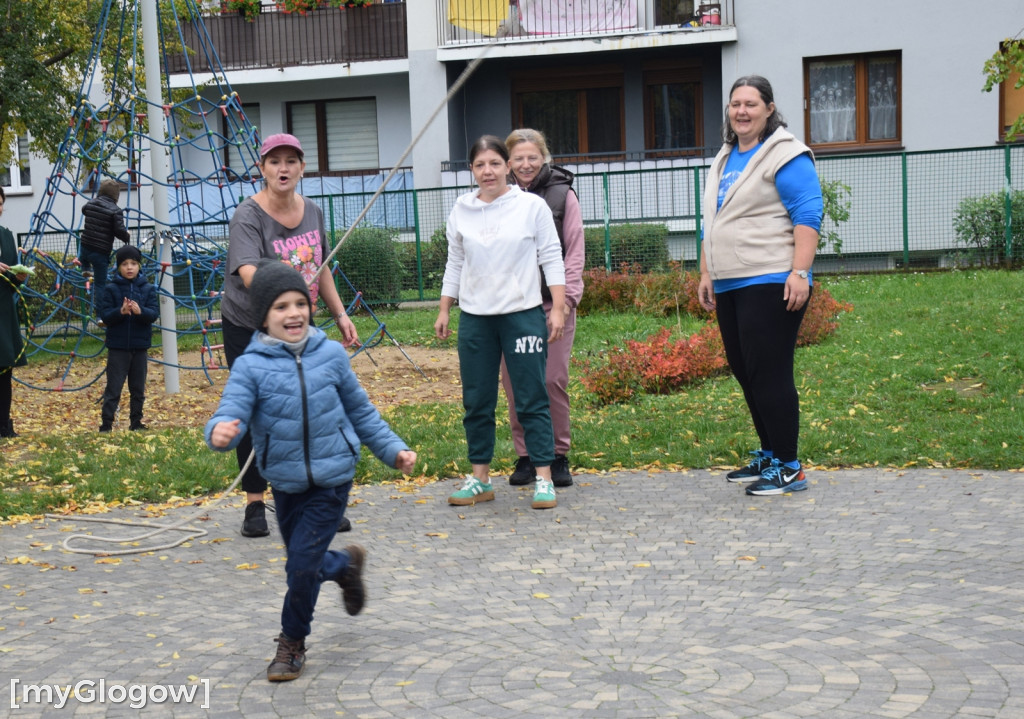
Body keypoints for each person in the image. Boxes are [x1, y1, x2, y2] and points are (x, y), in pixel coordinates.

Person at [205, 260, 416, 682]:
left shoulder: (332, 355)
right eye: (281, 306)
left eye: (300, 303)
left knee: (301, 567)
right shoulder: (251, 365)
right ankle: (342, 566)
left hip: (332, 478)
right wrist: (219, 431)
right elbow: (230, 409)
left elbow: (362, 411)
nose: (294, 313)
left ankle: (292, 643)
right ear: (264, 316)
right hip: (284, 483)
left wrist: (393, 450)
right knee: (304, 565)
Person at [223, 133, 359, 538]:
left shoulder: (313, 211)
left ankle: (314, 500)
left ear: (301, 168)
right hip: (249, 324)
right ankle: (253, 504)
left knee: (310, 407)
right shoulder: (248, 216)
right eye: (274, 161)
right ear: (262, 168)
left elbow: (322, 266)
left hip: (300, 323)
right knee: (256, 409)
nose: (283, 168)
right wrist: (287, 299)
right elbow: (248, 274)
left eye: (291, 161)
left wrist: (338, 313)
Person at [697, 75, 823, 496]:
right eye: (735, 104)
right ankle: (769, 452)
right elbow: (712, 221)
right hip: (730, 282)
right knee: (746, 369)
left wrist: (800, 272)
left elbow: (808, 212)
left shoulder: (784, 154)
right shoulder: (725, 156)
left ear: (769, 109)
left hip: (770, 278)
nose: (742, 111)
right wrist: (705, 272)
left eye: (751, 103)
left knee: (769, 372)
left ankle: (790, 466)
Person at [435, 135, 566, 510]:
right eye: (479, 165)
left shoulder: (531, 206)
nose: (487, 171)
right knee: (476, 400)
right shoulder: (461, 209)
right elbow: (455, 263)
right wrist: (445, 308)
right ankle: (480, 478)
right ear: (471, 170)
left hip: (522, 315)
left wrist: (557, 307)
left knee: (531, 396)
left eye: (494, 163)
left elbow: (551, 257)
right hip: (476, 319)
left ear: (507, 166)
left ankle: (543, 477)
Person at [500, 128, 585, 488]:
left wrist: (564, 305)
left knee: (551, 381)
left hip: (553, 304)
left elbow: (574, 251)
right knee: (517, 384)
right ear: (508, 163)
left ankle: (557, 454)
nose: (526, 164)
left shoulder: (563, 195)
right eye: (518, 158)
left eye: (532, 157)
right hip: (510, 307)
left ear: (544, 157)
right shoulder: (497, 196)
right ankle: (526, 456)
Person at [97, 245, 159, 432]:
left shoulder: (148, 289)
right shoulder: (111, 289)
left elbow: (153, 314)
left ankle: (136, 422)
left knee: (138, 389)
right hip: (118, 347)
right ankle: (106, 424)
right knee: (114, 388)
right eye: (125, 264)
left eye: (133, 263)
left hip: (139, 347)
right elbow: (105, 316)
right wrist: (121, 312)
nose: (129, 267)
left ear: (139, 266)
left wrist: (140, 312)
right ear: (118, 267)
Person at [0, 186, 30, 439]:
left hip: (3, 312)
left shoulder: (6, 236)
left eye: (0, 204)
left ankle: (4, 425)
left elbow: (9, 279)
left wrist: (18, 277)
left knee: (4, 369)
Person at [79, 178, 132, 302]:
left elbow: (84, 210)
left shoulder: (91, 203)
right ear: (116, 196)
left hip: (85, 245)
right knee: (100, 284)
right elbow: (119, 230)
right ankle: (100, 316)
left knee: (83, 256)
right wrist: (126, 236)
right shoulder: (116, 210)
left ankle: (85, 268)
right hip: (101, 251)